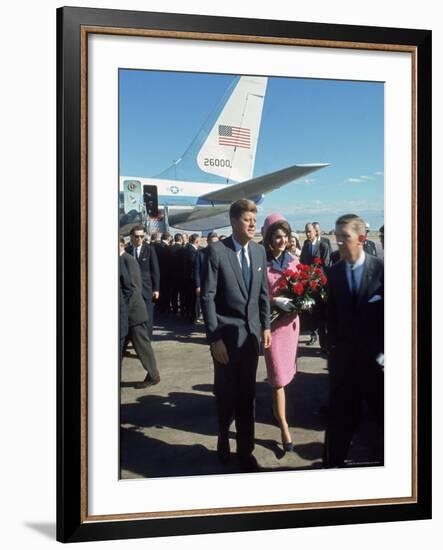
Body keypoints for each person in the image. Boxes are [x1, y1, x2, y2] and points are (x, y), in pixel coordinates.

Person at [200, 199, 271, 472]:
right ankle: (222, 436)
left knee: (247, 396)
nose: (253, 224)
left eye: (255, 219)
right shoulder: (217, 252)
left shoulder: (259, 252)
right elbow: (207, 297)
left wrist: (265, 325)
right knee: (225, 395)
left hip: (251, 338)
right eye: (247, 219)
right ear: (232, 221)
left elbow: (264, 294)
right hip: (225, 340)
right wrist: (214, 338)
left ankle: (246, 450)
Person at [324, 214, 384, 468]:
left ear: (361, 238)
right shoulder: (333, 274)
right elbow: (330, 317)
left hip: (376, 366)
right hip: (344, 366)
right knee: (339, 425)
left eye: (344, 237)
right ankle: (332, 468)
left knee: (381, 426)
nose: (338, 242)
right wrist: (332, 352)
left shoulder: (382, 271)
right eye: (337, 237)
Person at [262, 214, 300, 452]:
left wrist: (303, 301)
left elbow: (304, 287)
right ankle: (284, 426)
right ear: (268, 239)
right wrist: (275, 300)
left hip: (292, 325)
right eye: (277, 236)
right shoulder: (260, 263)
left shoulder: (294, 261)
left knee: (285, 374)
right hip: (273, 327)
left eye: (285, 236)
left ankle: (280, 412)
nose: (282, 241)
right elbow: (256, 295)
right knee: (277, 378)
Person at [120, 238, 160, 388]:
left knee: (142, 347)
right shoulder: (123, 259)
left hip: (132, 313)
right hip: (126, 313)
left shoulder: (128, 260)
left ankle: (154, 375)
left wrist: (126, 311)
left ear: (121, 245)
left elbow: (133, 288)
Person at [125, 225, 160, 338]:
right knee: (131, 316)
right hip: (131, 290)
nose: (139, 239)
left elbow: (155, 271)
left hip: (146, 289)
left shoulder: (150, 250)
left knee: (148, 317)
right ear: (131, 237)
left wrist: (156, 289)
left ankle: (147, 340)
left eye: (142, 236)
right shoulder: (127, 251)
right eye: (136, 236)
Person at [300, 223, 329, 350]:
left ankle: (324, 344)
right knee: (311, 313)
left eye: (309, 232)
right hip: (309, 285)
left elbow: (326, 264)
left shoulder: (323, 246)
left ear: (315, 232)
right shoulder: (306, 246)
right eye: (306, 232)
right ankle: (313, 335)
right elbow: (302, 262)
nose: (307, 234)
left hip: (320, 284)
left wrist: (315, 274)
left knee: (322, 314)